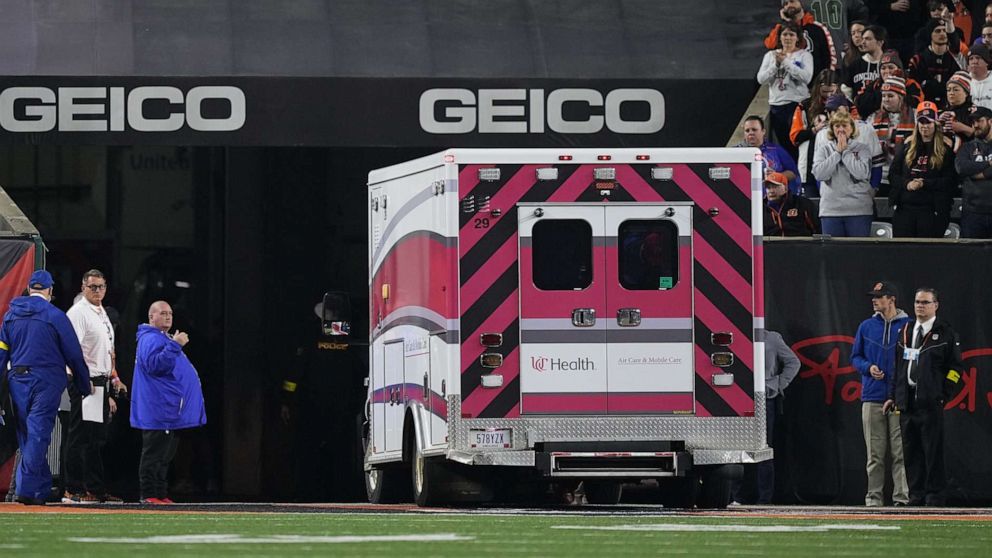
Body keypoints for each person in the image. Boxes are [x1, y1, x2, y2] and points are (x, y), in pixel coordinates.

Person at [0, 270, 91, 505]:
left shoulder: (10, 316)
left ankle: (38, 489)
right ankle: (26, 490)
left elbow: (1, 354)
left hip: (17, 380)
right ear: (50, 291)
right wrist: (83, 383)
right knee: (39, 433)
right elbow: (73, 354)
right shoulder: (56, 316)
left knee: (28, 435)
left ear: (30, 288)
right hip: (46, 381)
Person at [885, 288, 963, 506]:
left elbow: (955, 369)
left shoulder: (945, 333)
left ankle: (935, 495)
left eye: (925, 302)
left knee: (932, 451)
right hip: (907, 401)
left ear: (935, 305)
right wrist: (893, 395)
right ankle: (916, 494)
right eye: (918, 302)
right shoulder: (906, 330)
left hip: (930, 403)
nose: (920, 306)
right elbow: (898, 366)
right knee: (911, 453)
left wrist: (942, 395)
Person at [131, 300, 206, 505]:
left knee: (164, 456)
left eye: (170, 313)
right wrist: (176, 345)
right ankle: (148, 494)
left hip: (167, 410)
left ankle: (160, 493)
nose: (168, 316)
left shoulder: (160, 338)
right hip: (158, 409)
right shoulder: (150, 339)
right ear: (151, 317)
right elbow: (155, 365)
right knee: (154, 454)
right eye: (163, 313)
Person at [62, 270, 127, 504]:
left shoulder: (100, 312)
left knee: (95, 439)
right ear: (83, 287)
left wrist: (113, 379)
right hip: (85, 381)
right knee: (80, 435)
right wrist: (82, 379)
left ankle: (95, 489)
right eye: (92, 287)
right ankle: (72, 488)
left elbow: (107, 350)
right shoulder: (78, 312)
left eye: (100, 286)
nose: (97, 291)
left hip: (99, 382)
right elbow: (72, 349)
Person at [851, 281, 911, 507]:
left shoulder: (908, 326)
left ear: (892, 299)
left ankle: (901, 498)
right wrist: (868, 368)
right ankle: (873, 500)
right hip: (872, 397)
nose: (874, 300)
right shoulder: (866, 326)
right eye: (874, 297)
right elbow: (855, 357)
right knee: (874, 455)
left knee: (900, 453)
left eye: (879, 296)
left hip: (898, 398)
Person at [888, 101, 958, 237]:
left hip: (932, 210)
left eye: (929, 122)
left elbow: (950, 181)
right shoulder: (907, 147)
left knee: (928, 254)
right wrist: (907, 184)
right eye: (921, 122)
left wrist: (924, 183)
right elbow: (892, 175)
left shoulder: (945, 150)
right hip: (905, 209)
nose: (924, 126)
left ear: (935, 124)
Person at [812, 109, 875, 236]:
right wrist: (837, 154)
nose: (841, 129)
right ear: (832, 129)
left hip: (859, 210)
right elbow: (819, 174)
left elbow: (862, 173)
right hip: (831, 211)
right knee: (833, 254)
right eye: (837, 126)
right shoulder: (824, 149)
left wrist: (845, 152)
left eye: (844, 125)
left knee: (858, 253)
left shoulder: (862, 149)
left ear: (851, 128)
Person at [758, 21, 814, 162]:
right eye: (784, 34)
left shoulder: (804, 55)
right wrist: (776, 65)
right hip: (777, 105)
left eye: (791, 34)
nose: (788, 38)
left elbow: (806, 77)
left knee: (799, 141)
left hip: (797, 104)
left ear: (797, 37)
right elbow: (761, 79)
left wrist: (786, 63)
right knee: (784, 144)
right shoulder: (770, 56)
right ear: (780, 37)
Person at [757, 330, 800, 504]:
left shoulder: (771, 338)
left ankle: (764, 498)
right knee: (735, 448)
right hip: (738, 398)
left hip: (765, 398)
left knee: (765, 448)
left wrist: (777, 385)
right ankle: (737, 496)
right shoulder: (735, 335)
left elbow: (793, 362)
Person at [763, 0, 837, 86]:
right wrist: (786, 22)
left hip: (815, 86)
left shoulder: (817, 28)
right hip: (790, 86)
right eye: (785, 4)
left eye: (792, 1)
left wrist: (826, 80)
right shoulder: (781, 29)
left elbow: (829, 57)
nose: (789, 5)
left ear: (801, 2)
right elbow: (770, 45)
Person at [791, 69, 842, 192]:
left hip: (838, 164)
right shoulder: (804, 106)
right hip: (809, 162)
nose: (828, 95)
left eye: (832, 91)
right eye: (825, 92)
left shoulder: (847, 106)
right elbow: (795, 137)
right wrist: (814, 130)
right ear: (817, 88)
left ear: (838, 88)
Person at [867, 76, 917, 196]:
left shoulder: (915, 116)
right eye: (883, 96)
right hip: (881, 176)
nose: (886, 99)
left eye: (890, 96)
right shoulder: (873, 118)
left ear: (901, 97)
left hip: (906, 176)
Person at [737, 115, 802, 194]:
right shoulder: (736, 152)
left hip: (772, 197)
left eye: (754, 130)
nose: (751, 133)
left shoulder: (776, 149)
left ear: (763, 131)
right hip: (745, 196)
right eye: (747, 131)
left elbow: (793, 173)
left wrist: (777, 176)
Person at [953, 105, 992, 237]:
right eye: (973, 122)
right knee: (971, 256)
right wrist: (988, 163)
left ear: (990, 121)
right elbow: (962, 168)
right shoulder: (967, 147)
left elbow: (969, 169)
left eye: (979, 121)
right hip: (973, 213)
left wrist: (980, 174)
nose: (975, 125)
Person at [854, 49, 925, 120]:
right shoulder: (874, 84)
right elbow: (860, 105)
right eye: (883, 68)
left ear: (899, 69)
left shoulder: (910, 83)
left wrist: (894, 95)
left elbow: (918, 104)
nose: (887, 71)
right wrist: (884, 94)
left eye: (891, 67)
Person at [908, 19, 963, 108]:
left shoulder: (956, 59)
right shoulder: (918, 60)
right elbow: (913, 87)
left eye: (945, 30)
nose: (942, 34)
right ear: (930, 34)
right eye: (938, 31)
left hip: (951, 107)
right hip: (924, 107)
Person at [867, 0, 928, 64]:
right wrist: (890, 6)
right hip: (888, 36)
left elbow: (923, 8)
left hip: (912, 35)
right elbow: (871, 6)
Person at [764, 171, 821, 236]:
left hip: (800, 244)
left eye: (775, 187)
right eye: (768, 187)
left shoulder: (802, 203)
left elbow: (817, 229)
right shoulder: (761, 208)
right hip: (771, 244)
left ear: (785, 188)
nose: (771, 191)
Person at [967, 43, 992, 109]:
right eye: (971, 58)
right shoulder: (963, 80)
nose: (974, 61)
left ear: (987, 62)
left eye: (978, 58)